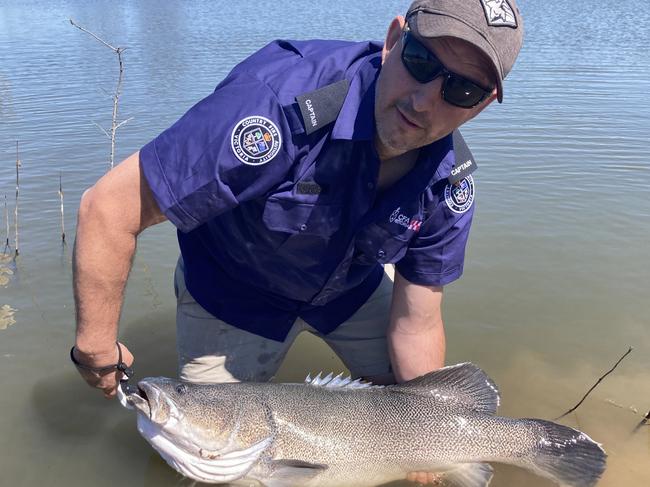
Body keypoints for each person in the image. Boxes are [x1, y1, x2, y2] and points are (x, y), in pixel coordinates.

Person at [72, 3, 523, 481]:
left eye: (462, 88)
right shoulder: (274, 104)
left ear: (484, 102)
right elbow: (109, 208)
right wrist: (94, 345)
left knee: (410, 409)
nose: (424, 102)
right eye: (421, 63)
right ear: (394, 40)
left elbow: (417, 324)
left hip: (348, 290)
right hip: (234, 294)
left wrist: (425, 443)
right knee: (209, 458)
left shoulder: (450, 182)